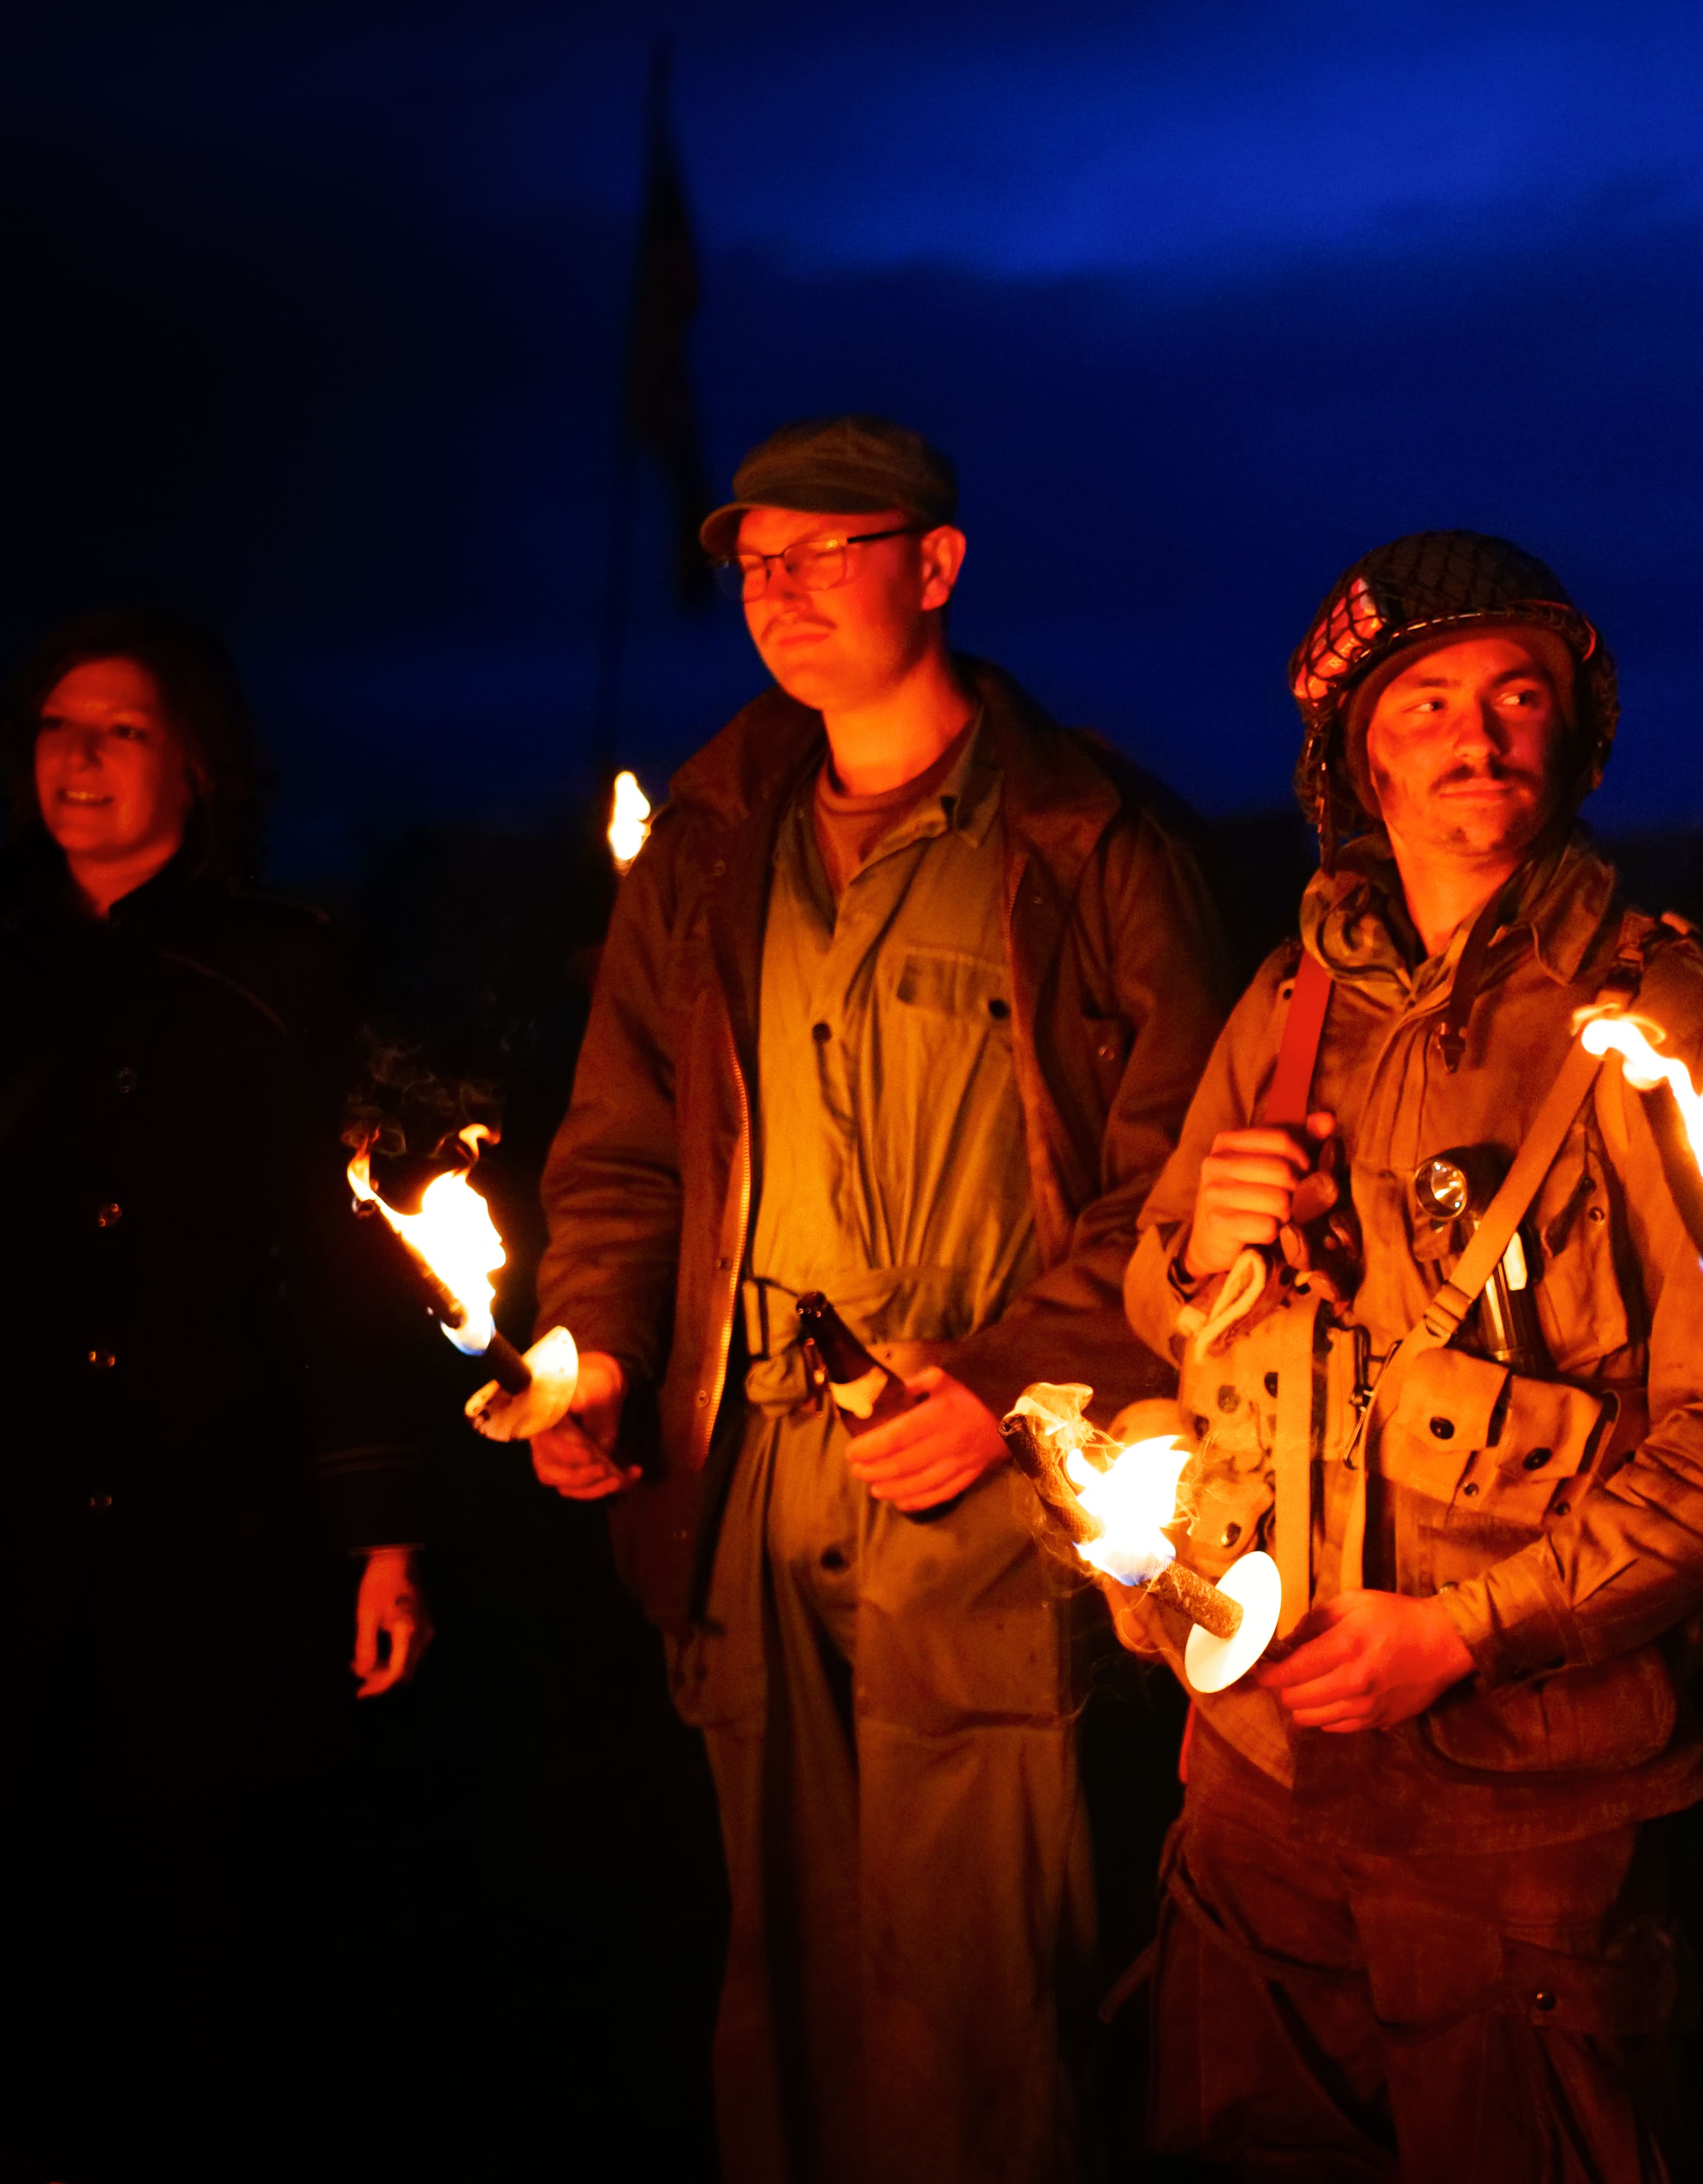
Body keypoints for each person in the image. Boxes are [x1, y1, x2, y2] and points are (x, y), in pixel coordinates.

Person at [523, 414, 1235, 2183]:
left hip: (991, 1492)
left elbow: (1180, 1185)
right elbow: (622, 1148)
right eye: (753, 562)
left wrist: (1004, 1385)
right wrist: (602, 1358)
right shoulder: (705, 847)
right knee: (781, 1979)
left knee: (984, 1998)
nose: (776, 593)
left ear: (937, 566)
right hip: (751, 1489)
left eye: (824, 551)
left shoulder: (1090, 846)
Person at [1114, 531, 1703, 2180]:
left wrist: (1466, 1633)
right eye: (1426, 701)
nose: (1478, 733)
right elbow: (1164, 1312)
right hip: (1255, 1780)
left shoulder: (1673, 1021)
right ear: (1356, 752)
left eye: (1520, 696)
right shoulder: (1287, 1005)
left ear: (1575, 737)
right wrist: (1202, 1247)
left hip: (1527, 1816)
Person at [0, 608, 435, 2180]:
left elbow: (340, 1262)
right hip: (23, 1523)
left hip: (212, 1534)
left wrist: (380, 1529)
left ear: (194, 757)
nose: (79, 761)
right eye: (56, 727)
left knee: (205, 1947)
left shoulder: (281, 973)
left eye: (117, 729)